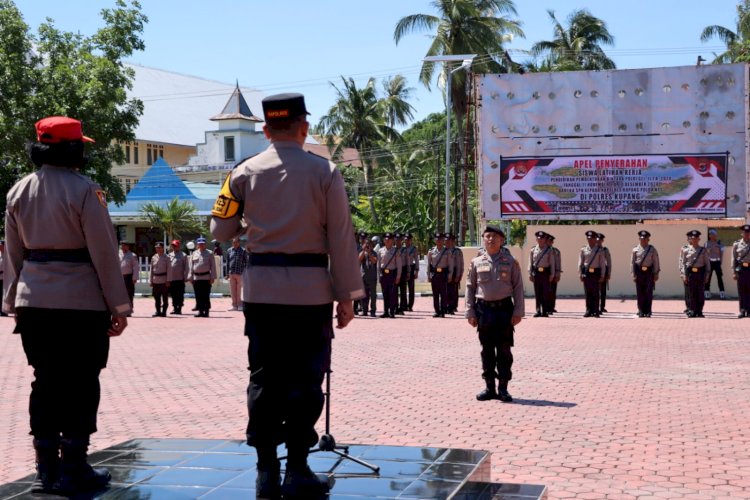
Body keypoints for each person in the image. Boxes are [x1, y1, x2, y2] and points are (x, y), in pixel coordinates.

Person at [210, 92, 363, 498]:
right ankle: (297, 468)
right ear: (303, 127)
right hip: (311, 294)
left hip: (261, 293)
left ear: (264, 130)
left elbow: (219, 231)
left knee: (264, 377)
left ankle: (264, 470)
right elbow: (341, 237)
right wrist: (347, 294)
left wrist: (251, 228)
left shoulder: (243, 173)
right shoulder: (325, 171)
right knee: (306, 379)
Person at [2, 116, 130, 494]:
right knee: (80, 383)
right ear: (74, 148)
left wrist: (13, 300)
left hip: (34, 302)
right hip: (80, 303)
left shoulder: (17, 191)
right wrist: (118, 307)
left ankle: (46, 468)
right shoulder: (86, 191)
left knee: (45, 382)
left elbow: (13, 254)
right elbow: (104, 253)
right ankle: (74, 467)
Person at [465, 225, 524, 402]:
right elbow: (470, 287)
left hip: (504, 310)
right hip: (484, 310)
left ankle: (503, 388)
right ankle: (489, 387)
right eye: (487, 236)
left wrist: (518, 311)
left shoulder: (510, 261)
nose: (490, 239)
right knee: (487, 350)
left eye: (494, 236)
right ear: (483, 239)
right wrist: (470, 311)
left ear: (502, 240)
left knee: (504, 350)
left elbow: (518, 287)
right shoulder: (476, 262)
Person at [680, 230, 710, 318]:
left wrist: (707, 275)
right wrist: (683, 275)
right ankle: (692, 310)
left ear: (699, 239)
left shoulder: (703, 250)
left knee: (700, 293)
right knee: (692, 292)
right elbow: (683, 263)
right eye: (693, 238)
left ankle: (699, 311)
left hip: (700, 273)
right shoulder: (686, 250)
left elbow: (707, 263)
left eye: (696, 238)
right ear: (690, 239)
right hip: (690, 274)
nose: (694, 240)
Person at [631, 230, 660, 317]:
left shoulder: (652, 249)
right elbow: (632, 263)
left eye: (645, 239)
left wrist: (656, 273)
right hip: (639, 272)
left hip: (649, 273)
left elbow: (656, 261)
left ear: (648, 239)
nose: (643, 240)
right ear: (639, 239)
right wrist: (633, 274)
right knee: (640, 292)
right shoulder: (635, 249)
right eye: (641, 239)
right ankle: (641, 310)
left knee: (648, 292)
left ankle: (648, 311)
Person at [578, 230, 606, 317]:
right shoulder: (583, 249)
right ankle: (588, 310)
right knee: (588, 293)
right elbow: (580, 263)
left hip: (596, 273)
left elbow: (602, 263)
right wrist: (580, 273)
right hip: (587, 273)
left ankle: (596, 310)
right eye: (588, 238)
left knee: (596, 292)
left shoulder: (599, 250)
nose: (589, 240)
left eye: (591, 238)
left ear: (595, 239)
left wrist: (602, 275)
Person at [528, 231, 555, 317]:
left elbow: (552, 263)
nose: (540, 240)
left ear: (544, 239)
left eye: (542, 238)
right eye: (538, 238)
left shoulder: (549, 250)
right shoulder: (533, 250)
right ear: (536, 239)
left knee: (545, 293)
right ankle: (538, 310)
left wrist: (552, 274)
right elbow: (530, 262)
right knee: (537, 292)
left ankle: (545, 311)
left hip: (545, 273)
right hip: (536, 273)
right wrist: (530, 273)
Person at [188, 237, 216, 317]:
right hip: (196, 278)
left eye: (203, 243)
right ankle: (200, 311)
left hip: (206, 277)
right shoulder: (194, 253)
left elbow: (213, 266)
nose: (201, 245)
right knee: (198, 295)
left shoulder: (210, 253)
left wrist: (212, 277)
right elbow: (191, 266)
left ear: (205, 244)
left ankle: (206, 311)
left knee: (206, 295)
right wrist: (190, 277)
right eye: (200, 244)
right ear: (197, 245)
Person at [428, 233, 452, 317]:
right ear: (435, 241)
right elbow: (429, 264)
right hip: (435, 275)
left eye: (440, 240)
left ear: (443, 241)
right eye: (437, 239)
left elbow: (450, 264)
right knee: (435, 294)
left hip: (443, 275)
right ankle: (437, 311)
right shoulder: (431, 251)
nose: (438, 241)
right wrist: (428, 275)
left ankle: (443, 311)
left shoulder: (447, 251)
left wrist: (450, 275)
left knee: (443, 294)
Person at [378, 232, 402, 318]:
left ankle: (392, 311)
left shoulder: (396, 251)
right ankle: (385, 311)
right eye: (385, 239)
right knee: (385, 294)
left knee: (392, 293)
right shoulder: (381, 250)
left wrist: (398, 276)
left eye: (389, 239)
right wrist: (379, 275)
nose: (387, 240)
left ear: (392, 240)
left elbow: (399, 265)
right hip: (383, 274)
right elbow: (379, 264)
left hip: (392, 274)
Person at [731, 224, 750, 318]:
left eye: (748, 232)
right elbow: (734, 258)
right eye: (745, 232)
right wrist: (734, 272)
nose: (746, 234)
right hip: (741, 269)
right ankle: (742, 310)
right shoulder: (736, 244)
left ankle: (749, 311)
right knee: (742, 291)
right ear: (741, 233)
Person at [226, 237, 249, 311]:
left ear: (239, 242)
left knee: (239, 290)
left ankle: (240, 305)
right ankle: (234, 305)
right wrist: (227, 273)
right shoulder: (229, 250)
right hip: (231, 273)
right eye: (233, 242)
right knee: (232, 290)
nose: (235, 243)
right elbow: (227, 263)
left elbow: (246, 262)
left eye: (236, 242)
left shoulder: (243, 251)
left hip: (240, 273)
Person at [358, 236, 378, 317]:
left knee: (373, 295)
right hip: (364, 276)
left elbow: (374, 261)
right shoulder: (362, 252)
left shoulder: (374, 253)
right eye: (366, 244)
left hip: (372, 277)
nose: (367, 245)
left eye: (368, 244)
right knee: (363, 295)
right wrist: (363, 250)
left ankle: (373, 311)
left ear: (372, 245)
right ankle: (364, 310)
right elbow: (359, 260)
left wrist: (369, 252)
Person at [167, 240, 188, 315]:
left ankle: (179, 308)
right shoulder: (169, 255)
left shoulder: (183, 255)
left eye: (175, 246)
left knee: (180, 294)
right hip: (172, 279)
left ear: (179, 246)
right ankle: (175, 307)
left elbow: (186, 267)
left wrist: (186, 277)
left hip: (180, 278)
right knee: (173, 294)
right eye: (173, 246)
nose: (174, 247)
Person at [704, 229, 726, 300]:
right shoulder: (707, 243)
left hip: (717, 262)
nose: (712, 236)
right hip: (710, 262)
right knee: (708, 278)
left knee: (720, 278)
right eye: (710, 234)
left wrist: (721, 262)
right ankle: (707, 293)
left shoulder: (719, 243)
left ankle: (722, 294)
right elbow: (705, 254)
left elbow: (722, 254)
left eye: (713, 234)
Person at [149, 242, 169, 317]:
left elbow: (169, 270)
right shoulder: (154, 257)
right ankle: (158, 311)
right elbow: (151, 270)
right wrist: (151, 280)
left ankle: (164, 312)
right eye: (156, 247)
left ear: (163, 248)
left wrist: (168, 280)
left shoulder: (167, 258)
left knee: (164, 298)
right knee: (156, 297)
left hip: (164, 280)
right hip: (155, 280)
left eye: (159, 247)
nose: (158, 249)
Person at [446, 234, 463, 315]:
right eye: (446, 240)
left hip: (455, 272)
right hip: (445, 271)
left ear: (453, 241)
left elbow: (460, 264)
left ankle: (452, 307)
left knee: (453, 291)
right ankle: (445, 306)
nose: (447, 242)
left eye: (449, 240)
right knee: (445, 290)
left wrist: (459, 275)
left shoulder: (457, 251)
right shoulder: (444, 251)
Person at [119, 241, 138, 313]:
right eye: (122, 246)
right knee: (120, 295)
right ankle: (122, 310)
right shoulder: (118, 254)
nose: (123, 247)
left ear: (128, 247)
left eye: (124, 246)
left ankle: (128, 310)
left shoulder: (132, 255)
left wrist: (135, 278)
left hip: (128, 277)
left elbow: (136, 267)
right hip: (120, 277)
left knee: (129, 294)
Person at [403, 233, 419, 312]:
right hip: (404, 268)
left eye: (408, 240)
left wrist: (417, 271)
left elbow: (416, 260)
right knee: (403, 288)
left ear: (410, 240)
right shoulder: (402, 249)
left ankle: (410, 305)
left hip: (412, 268)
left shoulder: (413, 249)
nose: (407, 241)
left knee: (411, 288)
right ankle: (404, 305)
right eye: (405, 240)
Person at [597, 233, 612, 314]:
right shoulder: (593, 249)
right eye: (597, 239)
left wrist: (609, 273)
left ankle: (602, 307)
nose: (598, 241)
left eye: (600, 240)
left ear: (602, 241)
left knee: (602, 291)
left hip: (603, 271)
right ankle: (595, 307)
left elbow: (609, 262)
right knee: (595, 290)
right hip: (595, 272)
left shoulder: (605, 250)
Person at [546, 234, 561, 314]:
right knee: (546, 292)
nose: (550, 243)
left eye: (551, 241)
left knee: (552, 291)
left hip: (554, 273)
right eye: (548, 241)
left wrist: (558, 274)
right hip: (545, 274)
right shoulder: (543, 250)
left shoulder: (556, 251)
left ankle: (552, 307)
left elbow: (558, 263)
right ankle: (546, 307)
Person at [0, 239, 6, 316]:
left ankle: (3, 310)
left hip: (4, 277)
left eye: (1, 245)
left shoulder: (7, 255)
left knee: (3, 295)